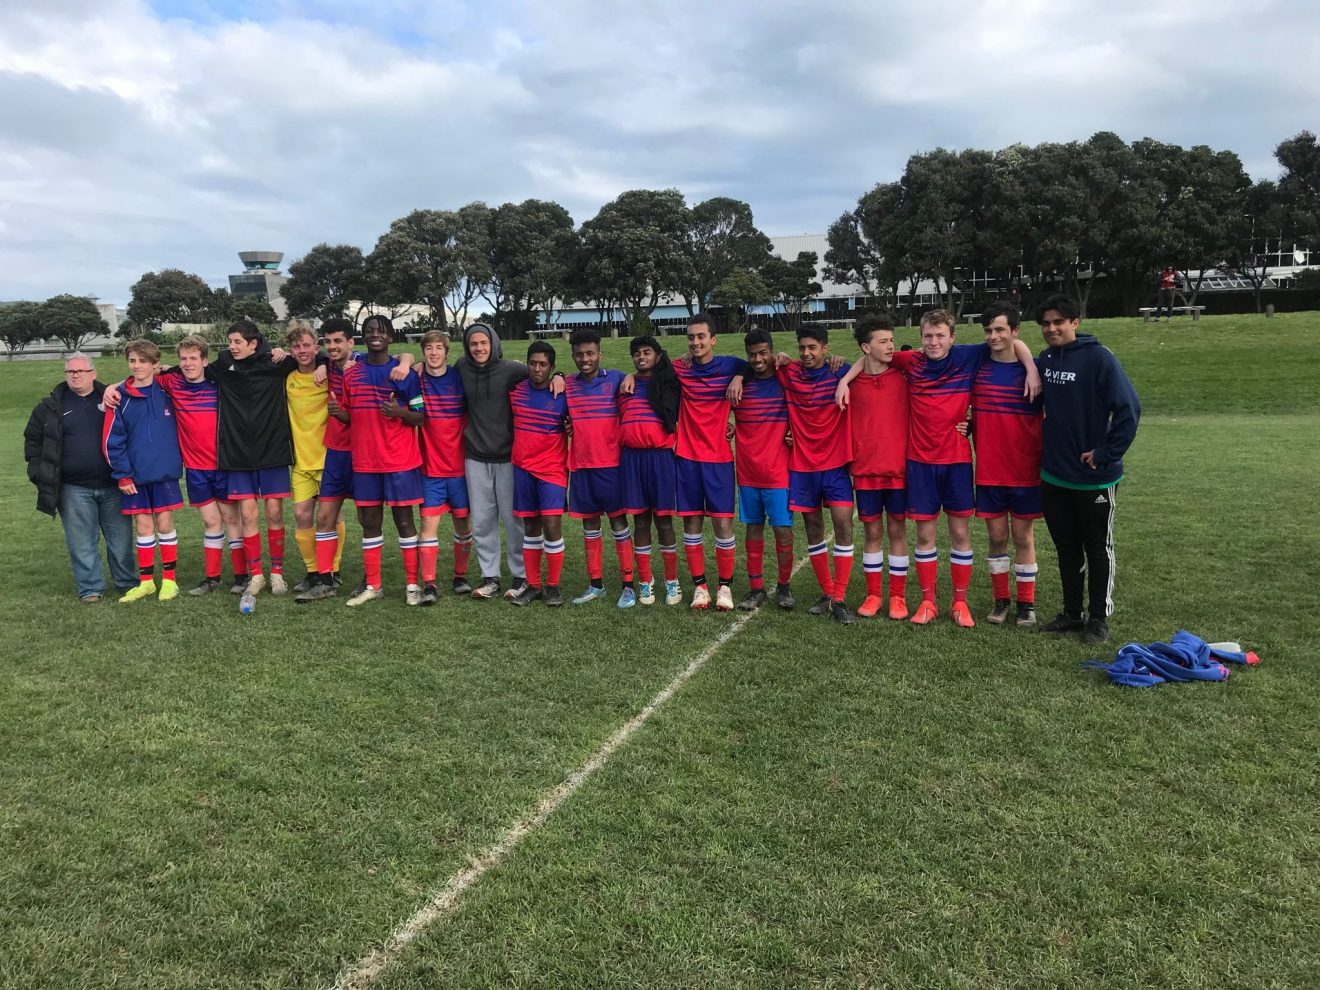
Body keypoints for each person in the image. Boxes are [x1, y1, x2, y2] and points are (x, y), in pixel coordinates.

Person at [837, 308, 1040, 628]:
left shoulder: (969, 356)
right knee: (925, 535)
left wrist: (1031, 369)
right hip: (919, 464)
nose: (933, 342)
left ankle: (960, 603)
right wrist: (845, 380)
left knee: (960, 533)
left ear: (952, 338)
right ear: (920, 340)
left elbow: (1014, 342)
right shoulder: (911, 361)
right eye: (928, 336)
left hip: (957, 462)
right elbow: (870, 358)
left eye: (940, 335)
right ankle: (928, 602)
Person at [1035, 293, 1141, 644]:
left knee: (1098, 548)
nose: (1051, 328)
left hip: (1094, 478)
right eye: (1046, 324)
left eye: (1058, 322)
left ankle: (1098, 618)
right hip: (1054, 474)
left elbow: (1129, 409)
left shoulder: (1099, 358)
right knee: (1066, 548)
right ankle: (1071, 613)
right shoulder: (1046, 359)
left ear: (1074, 322)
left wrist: (1106, 453)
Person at [640, 313, 746, 612]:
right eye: (691, 337)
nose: (696, 342)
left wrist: (740, 376)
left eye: (701, 337)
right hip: (686, 457)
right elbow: (650, 367)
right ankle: (700, 587)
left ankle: (725, 587)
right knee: (692, 522)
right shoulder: (679, 367)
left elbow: (760, 364)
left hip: (719, 458)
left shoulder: (731, 365)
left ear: (713, 339)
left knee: (723, 523)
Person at [453, 323, 560, 601]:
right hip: (475, 455)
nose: (479, 348)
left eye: (484, 343)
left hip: (510, 457)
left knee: (515, 521)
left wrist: (559, 375)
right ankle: (490, 577)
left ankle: (522, 575)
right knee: (482, 520)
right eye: (473, 343)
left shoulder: (512, 370)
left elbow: (541, 373)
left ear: (493, 343)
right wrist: (413, 363)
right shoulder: (461, 368)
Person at [24, 352, 136, 602]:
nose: (75, 375)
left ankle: (127, 583)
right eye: (70, 371)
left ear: (93, 373)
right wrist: (38, 471)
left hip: (114, 485)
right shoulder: (50, 406)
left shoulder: (113, 398)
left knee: (120, 540)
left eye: (80, 371)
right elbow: (32, 440)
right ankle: (90, 589)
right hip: (73, 488)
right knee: (81, 542)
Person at [339, 316, 426, 606]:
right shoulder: (351, 374)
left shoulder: (405, 374)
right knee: (369, 523)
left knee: (404, 521)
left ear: (390, 336)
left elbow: (421, 417)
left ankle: (413, 584)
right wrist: (340, 415)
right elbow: (356, 415)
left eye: (381, 331)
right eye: (369, 331)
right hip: (365, 462)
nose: (375, 335)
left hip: (399, 461)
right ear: (363, 337)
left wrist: (400, 413)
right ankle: (373, 585)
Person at [968, 303, 1042, 627]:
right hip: (989, 470)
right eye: (988, 330)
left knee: (1023, 537)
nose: (993, 336)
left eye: (1000, 329)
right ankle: (1001, 601)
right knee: (997, 536)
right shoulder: (978, 368)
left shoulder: (1035, 372)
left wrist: (1032, 367)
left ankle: (1026, 604)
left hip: (1025, 470)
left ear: (1015, 331)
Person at [155, 336, 244, 595]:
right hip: (195, 468)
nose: (188, 363)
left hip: (224, 465)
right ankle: (212, 578)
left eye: (193, 358)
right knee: (210, 521)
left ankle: (241, 576)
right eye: (183, 359)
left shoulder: (219, 384)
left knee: (231, 519)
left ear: (205, 361)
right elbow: (141, 377)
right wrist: (111, 388)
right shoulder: (172, 382)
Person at [777, 326, 855, 623]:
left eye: (812, 347)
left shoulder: (839, 370)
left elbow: (867, 363)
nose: (806, 353)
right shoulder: (790, 372)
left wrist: (844, 374)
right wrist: (779, 357)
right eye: (802, 348)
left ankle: (840, 597)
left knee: (844, 526)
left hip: (835, 466)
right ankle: (827, 592)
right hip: (802, 466)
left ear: (825, 348)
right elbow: (761, 361)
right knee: (813, 529)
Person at [102, 340, 185, 603]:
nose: (137, 366)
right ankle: (147, 581)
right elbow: (111, 441)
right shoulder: (119, 397)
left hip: (164, 473)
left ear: (154, 364)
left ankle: (170, 581)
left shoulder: (168, 390)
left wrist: (168, 370)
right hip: (134, 477)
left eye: (143, 361)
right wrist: (123, 475)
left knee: (164, 523)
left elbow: (188, 374)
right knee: (144, 526)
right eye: (132, 361)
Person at [564, 329, 636, 608]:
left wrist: (631, 375)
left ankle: (628, 584)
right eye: (580, 354)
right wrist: (558, 376)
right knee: (590, 525)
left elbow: (643, 377)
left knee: (618, 524)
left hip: (612, 467)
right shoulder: (567, 383)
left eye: (590, 353)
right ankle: (596, 584)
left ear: (600, 355)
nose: (585, 359)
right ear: (573, 356)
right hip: (581, 467)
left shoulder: (617, 378)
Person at [846, 313, 911, 620]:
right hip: (865, 470)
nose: (890, 347)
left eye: (892, 340)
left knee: (897, 530)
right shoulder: (851, 382)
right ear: (865, 347)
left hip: (898, 469)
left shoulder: (905, 375)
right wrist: (845, 379)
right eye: (883, 341)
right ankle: (873, 595)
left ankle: (898, 597)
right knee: (872, 532)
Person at [731, 328, 795, 612]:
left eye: (763, 353)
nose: (758, 359)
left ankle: (783, 586)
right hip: (747, 473)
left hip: (778, 471)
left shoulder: (785, 380)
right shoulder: (739, 386)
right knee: (753, 529)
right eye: (752, 355)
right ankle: (756, 588)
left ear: (771, 352)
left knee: (783, 529)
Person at [617, 335, 682, 606]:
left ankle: (671, 581)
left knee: (664, 521)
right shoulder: (624, 387)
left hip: (661, 459)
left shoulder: (669, 382)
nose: (641, 356)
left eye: (647, 352)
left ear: (657, 355)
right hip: (632, 459)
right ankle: (645, 581)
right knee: (641, 520)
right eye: (636, 353)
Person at [415, 330, 475, 606]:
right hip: (430, 469)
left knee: (463, 524)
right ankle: (429, 583)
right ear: (424, 352)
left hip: (461, 469)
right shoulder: (417, 380)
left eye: (439, 348)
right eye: (429, 348)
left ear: (446, 352)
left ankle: (460, 576)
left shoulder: (460, 377)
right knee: (429, 524)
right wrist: (408, 363)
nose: (434, 353)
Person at [508, 341, 570, 607]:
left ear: (552, 367)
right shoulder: (515, 391)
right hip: (522, 469)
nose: (537, 368)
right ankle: (533, 585)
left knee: (551, 525)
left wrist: (562, 377)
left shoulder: (563, 395)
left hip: (553, 470)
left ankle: (553, 586)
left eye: (543, 364)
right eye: (532, 363)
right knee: (531, 527)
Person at [282, 321, 331, 593]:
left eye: (307, 345)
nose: (302, 350)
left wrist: (325, 364)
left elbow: (355, 355)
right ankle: (313, 572)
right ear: (291, 350)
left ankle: (330, 571)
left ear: (316, 347)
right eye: (296, 346)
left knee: (329, 518)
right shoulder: (287, 376)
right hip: (301, 462)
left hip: (327, 460)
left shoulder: (331, 372)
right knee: (302, 515)